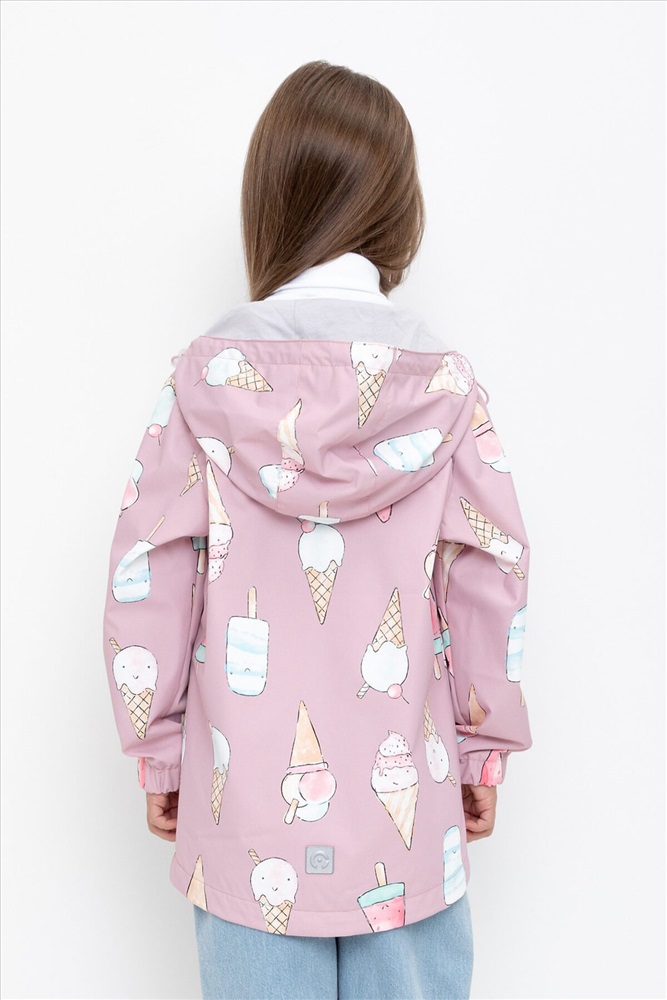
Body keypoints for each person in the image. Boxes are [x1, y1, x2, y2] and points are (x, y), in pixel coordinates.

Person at [102, 60, 533, 1000]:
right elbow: (490, 572)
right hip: (408, 810)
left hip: (242, 809)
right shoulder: (449, 391)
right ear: (400, 214)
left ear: (270, 205)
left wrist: (161, 749)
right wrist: (480, 745)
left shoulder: (199, 385)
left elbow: (147, 573)